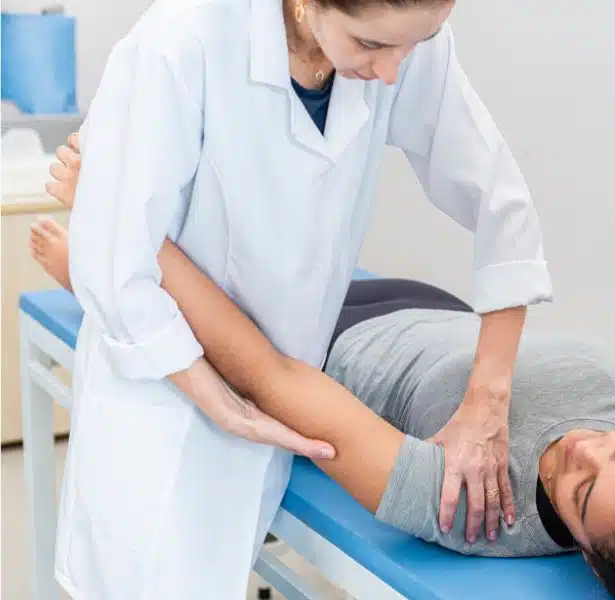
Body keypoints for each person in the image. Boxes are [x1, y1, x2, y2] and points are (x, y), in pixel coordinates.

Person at [35, 166, 615, 599]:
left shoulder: (472, 505)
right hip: (428, 307)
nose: (583, 448)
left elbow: (271, 374)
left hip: (310, 336)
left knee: (118, 201)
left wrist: (115, 250)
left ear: (583, 555)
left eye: (579, 491)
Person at [57, 0, 552, 597]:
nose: (394, 72)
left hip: (282, 388)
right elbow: (116, 260)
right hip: (160, 407)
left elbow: (501, 201)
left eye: (418, 44)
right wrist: (222, 400)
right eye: (370, 47)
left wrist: (487, 403)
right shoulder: (180, 43)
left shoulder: (401, 38)